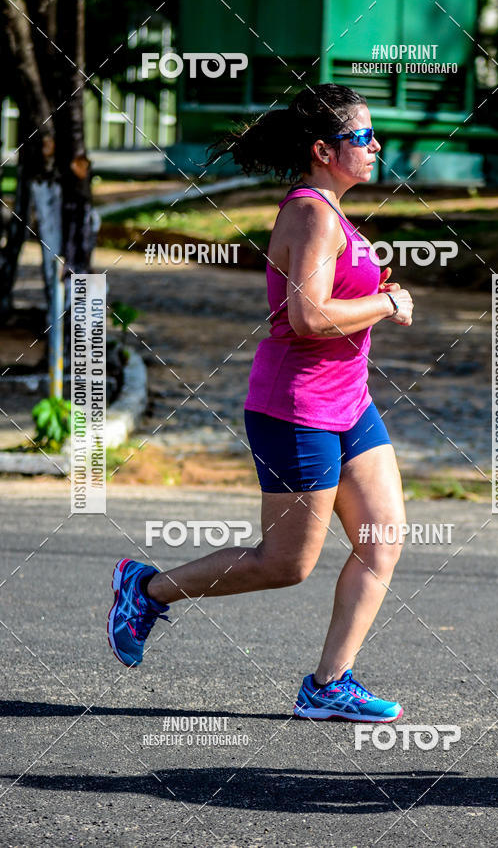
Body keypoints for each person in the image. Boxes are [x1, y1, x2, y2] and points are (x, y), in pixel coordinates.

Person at [107, 83, 414, 722]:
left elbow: (326, 300)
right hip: (295, 409)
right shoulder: (310, 212)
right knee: (285, 564)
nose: (375, 145)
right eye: (362, 137)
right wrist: (385, 303)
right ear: (324, 150)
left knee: (381, 540)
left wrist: (370, 297)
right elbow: (306, 317)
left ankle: (330, 683)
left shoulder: (332, 210)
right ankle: (147, 589)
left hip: (349, 404)